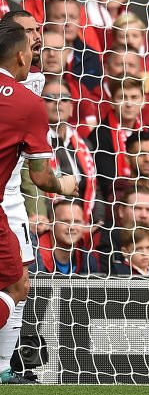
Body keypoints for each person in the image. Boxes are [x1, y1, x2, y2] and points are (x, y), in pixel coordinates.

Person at [0, 23, 79, 371]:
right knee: (17, 286)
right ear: (21, 55)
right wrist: (64, 186)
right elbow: (40, 176)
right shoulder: (27, 104)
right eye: (31, 50)